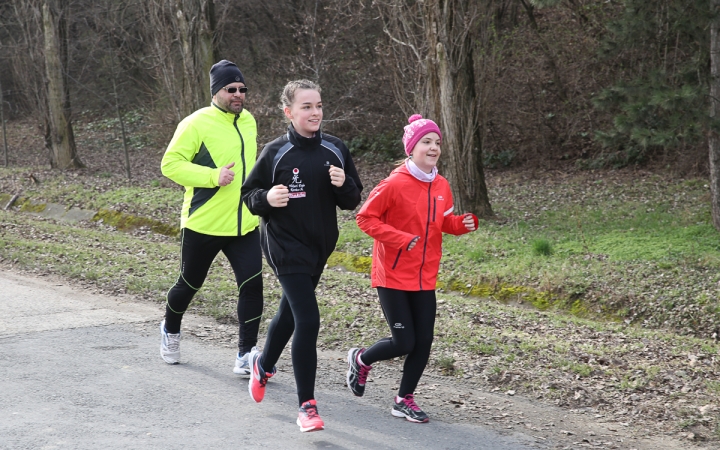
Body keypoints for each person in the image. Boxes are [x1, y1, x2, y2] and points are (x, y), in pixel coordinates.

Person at [241, 79, 363, 433]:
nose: (315, 113)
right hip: (283, 244)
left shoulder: (335, 148)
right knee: (308, 319)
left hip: (319, 247)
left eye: (319, 106)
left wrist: (344, 184)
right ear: (289, 112)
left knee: (290, 313)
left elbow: (353, 201)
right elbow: (249, 195)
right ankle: (306, 406)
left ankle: (263, 364)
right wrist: (267, 199)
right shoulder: (276, 151)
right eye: (306, 107)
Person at [346, 114, 478, 423]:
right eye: (426, 143)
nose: (433, 148)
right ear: (411, 148)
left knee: (424, 342)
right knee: (404, 341)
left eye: (437, 143)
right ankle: (361, 358)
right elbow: (365, 219)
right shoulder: (393, 183)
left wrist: (460, 225)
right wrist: (400, 238)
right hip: (392, 274)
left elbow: (441, 222)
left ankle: (404, 399)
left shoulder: (442, 184)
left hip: (424, 275)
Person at [159, 60, 264, 378]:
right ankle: (170, 329)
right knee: (189, 284)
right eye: (230, 89)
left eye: (241, 89)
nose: (238, 94)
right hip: (203, 223)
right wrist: (211, 176)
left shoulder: (249, 122)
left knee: (252, 285)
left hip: (244, 222)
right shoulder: (195, 124)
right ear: (216, 92)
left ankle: (245, 355)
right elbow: (170, 164)